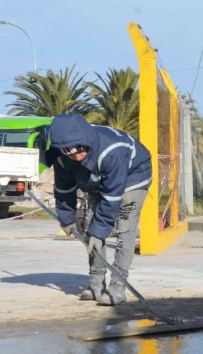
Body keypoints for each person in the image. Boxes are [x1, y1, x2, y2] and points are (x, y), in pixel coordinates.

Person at [47, 113, 152, 306]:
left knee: (124, 229)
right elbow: (63, 190)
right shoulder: (62, 158)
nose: (76, 154)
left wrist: (101, 230)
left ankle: (118, 287)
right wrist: (67, 219)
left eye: (79, 148)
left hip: (131, 176)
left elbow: (113, 195)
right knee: (91, 227)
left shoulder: (113, 150)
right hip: (95, 177)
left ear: (86, 140)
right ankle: (96, 284)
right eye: (68, 151)